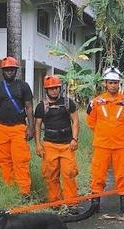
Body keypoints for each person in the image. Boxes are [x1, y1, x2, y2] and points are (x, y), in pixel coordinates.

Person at [86, 67, 124, 215]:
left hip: (120, 145)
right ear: (105, 83)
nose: (113, 85)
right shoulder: (96, 102)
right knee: (98, 174)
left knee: (123, 174)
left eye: (116, 82)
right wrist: (103, 134)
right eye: (110, 82)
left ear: (119, 84)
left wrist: (120, 133)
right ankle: (95, 204)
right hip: (101, 145)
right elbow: (91, 121)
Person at [0, 56, 35, 201]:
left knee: (20, 161)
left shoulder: (23, 86)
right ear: (2, 71)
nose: (9, 72)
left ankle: (24, 193)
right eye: (7, 70)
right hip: (1, 129)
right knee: (3, 161)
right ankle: (10, 190)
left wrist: (30, 128)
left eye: (12, 70)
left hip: (18, 128)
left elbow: (29, 108)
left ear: (16, 71)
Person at [34, 75, 80, 207]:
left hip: (67, 145)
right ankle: (55, 202)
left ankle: (72, 203)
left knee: (69, 174)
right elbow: (37, 126)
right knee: (50, 175)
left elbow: (75, 121)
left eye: (56, 88)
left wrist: (74, 139)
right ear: (46, 90)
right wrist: (37, 145)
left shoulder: (67, 103)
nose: (54, 91)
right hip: (49, 145)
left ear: (60, 88)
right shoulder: (41, 106)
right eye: (51, 89)